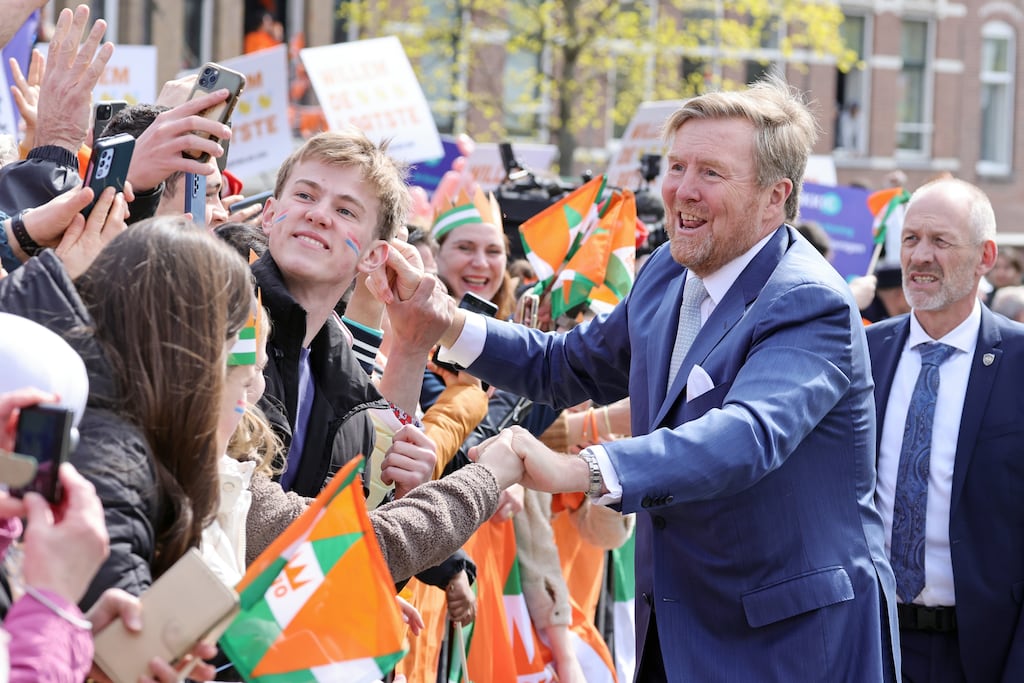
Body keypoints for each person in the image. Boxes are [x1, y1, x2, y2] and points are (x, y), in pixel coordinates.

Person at [380, 76, 900, 681]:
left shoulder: (810, 300)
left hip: (788, 643)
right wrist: (446, 321)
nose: (682, 188)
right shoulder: (664, 275)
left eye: (711, 172)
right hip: (677, 629)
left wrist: (583, 468)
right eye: (677, 166)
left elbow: (747, 436)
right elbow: (565, 363)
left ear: (774, 197)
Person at [0, 216, 253, 610]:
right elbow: (116, 646)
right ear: (195, 347)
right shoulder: (112, 458)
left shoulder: (100, 416)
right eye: (229, 349)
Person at [865, 178, 1024, 682]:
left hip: (982, 653)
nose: (919, 256)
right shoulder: (864, 354)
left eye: (940, 241)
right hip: (870, 643)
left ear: (985, 257)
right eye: (911, 239)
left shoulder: (1019, 363)